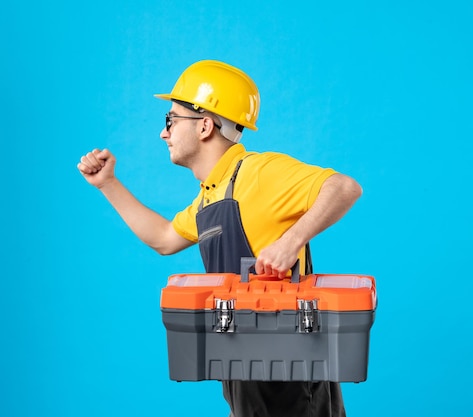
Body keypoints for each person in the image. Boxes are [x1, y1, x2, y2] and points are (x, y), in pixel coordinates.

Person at [76, 60, 362, 417]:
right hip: (244, 370)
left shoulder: (258, 173)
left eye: (171, 120)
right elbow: (165, 238)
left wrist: (291, 241)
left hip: (289, 369)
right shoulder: (210, 195)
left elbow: (343, 187)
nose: (164, 133)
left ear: (205, 125)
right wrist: (108, 184)